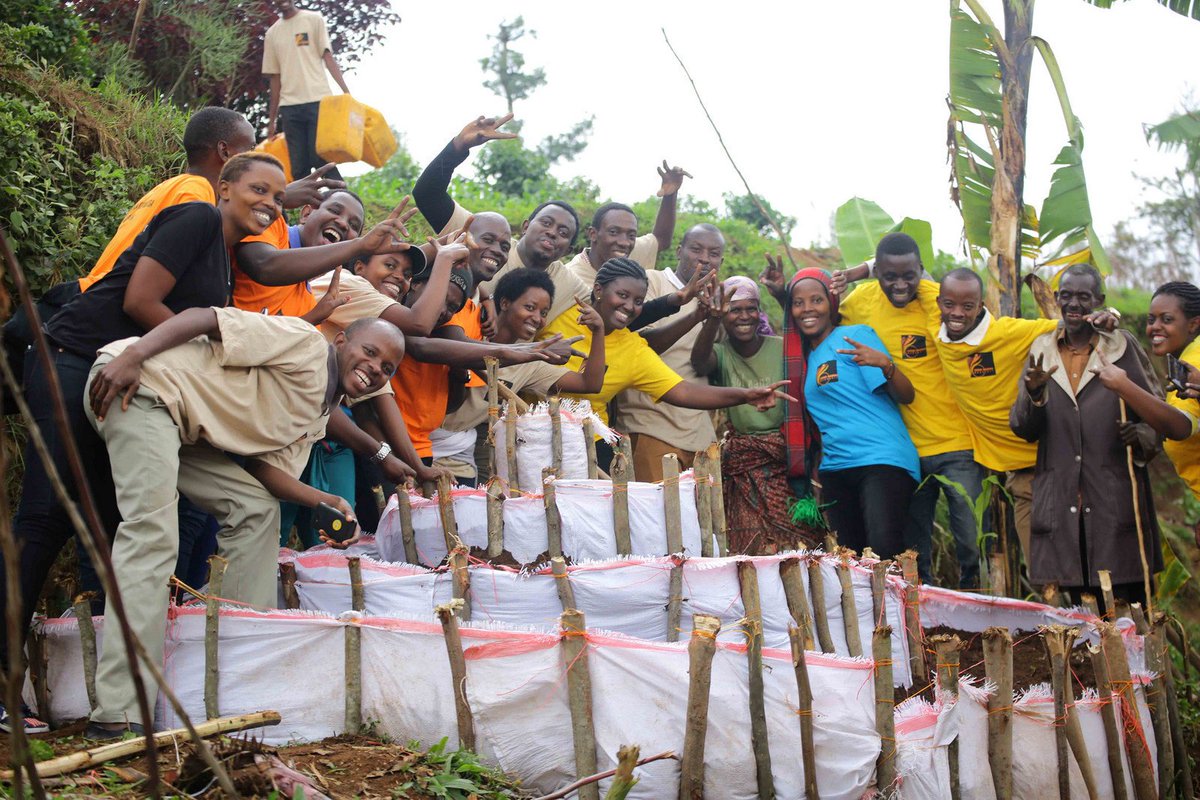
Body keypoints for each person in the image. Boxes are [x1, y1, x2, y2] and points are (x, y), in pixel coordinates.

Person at [0, 151, 288, 733]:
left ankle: (109, 698)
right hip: (74, 360)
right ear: (224, 186)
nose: (270, 204)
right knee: (45, 519)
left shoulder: (224, 264)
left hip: (120, 379)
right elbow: (138, 301)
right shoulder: (197, 218)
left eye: (279, 198)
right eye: (259, 189)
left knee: (112, 528)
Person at [82, 307, 404, 737]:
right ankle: (120, 711)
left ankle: (235, 684)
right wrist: (134, 355)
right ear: (341, 340)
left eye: (387, 368)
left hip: (181, 426)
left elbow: (264, 473)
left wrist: (326, 500)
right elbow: (206, 319)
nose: (376, 368)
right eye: (371, 352)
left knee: (256, 510)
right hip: (139, 387)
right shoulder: (305, 344)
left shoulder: (319, 413)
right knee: (153, 537)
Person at [829, 234, 986, 587]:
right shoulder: (861, 301)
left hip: (956, 443)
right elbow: (819, 319)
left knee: (972, 540)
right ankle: (922, 607)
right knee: (914, 550)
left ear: (921, 272)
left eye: (909, 276)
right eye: (890, 276)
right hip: (904, 449)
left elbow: (985, 324)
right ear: (878, 274)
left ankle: (980, 602)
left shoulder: (937, 299)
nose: (900, 285)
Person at [1009, 265, 1171, 607]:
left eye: (1084, 296)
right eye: (1067, 295)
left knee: (1128, 604)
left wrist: (1141, 435)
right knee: (1075, 607)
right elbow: (1022, 427)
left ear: (1099, 300)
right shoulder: (1042, 349)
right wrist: (1035, 395)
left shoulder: (1120, 345)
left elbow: (1159, 415)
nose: (1074, 304)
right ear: (1056, 298)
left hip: (1112, 493)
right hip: (1062, 496)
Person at [540, 258, 789, 472]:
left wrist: (746, 395)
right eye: (622, 295)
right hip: (534, 433)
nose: (630, 306)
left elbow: (684, 392)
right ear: (597, 290)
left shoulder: (633, 349)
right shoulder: (559, 311)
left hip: (589, 445)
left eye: (639, 301)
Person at [782, 269, 920, 559]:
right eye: (798, 303)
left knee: (884, 552)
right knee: (850, 559)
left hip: (881, 460)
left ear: (831, 303)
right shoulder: (800, 359)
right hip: (836, 468)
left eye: (817, 300)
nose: (808, 309)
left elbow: (906, 396)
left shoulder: (854, 336)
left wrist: (887, 366)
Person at [691, 276, 817, 553]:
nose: (744, 316)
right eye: (735, 309)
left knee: (797, 542)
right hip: (744, 460)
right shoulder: (721, 354)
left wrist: (782, 294)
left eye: (751, 308)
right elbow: (699, 363)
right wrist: (713, 318)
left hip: (786, 456)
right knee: (750, 543)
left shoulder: (781, 347)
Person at [439, 268, 607, 442]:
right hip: (427, 427)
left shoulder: (530, 363)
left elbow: (590, 384)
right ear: (505, 303)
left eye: (543, 313)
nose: (537, 318)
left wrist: (598, 330)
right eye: (530, 307)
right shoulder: (472, 326)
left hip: (457, 441)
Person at [616, 223, 723, 482]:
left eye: (713, 254)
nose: (704, 259)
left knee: (703, 509)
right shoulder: (650, 282)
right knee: (655, 508)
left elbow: (706, 364)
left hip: (701, 438)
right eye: (696, 249)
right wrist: (695, 315)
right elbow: (640, 345)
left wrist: (713, 319)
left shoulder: (718, 298)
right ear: (678, 251)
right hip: (649, 428)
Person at [262, 0, 351, 181]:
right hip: (289, 106)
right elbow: (275, 78)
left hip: (318, 101)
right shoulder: (272, 33)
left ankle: (343, 195)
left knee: (320, 158)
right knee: (298, 166)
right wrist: (272, 121)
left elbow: (328, 57)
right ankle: (306, 200)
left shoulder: (313, 20)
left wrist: (346, 92)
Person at [563, 160, 689, 283]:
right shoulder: (571, 278)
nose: (624, 242)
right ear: (593, 234)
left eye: (631, 235)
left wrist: (670, 194)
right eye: (613, 232)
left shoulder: (630, 254)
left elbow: (661, 239)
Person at [1147, 281, 1200, 548]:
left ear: (1193, 324)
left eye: (1166, 319)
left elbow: (1181, 426)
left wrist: (1121, 385)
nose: (1155, 327)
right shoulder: (1185, 359)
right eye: (1151, 319)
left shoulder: (1195, 361)